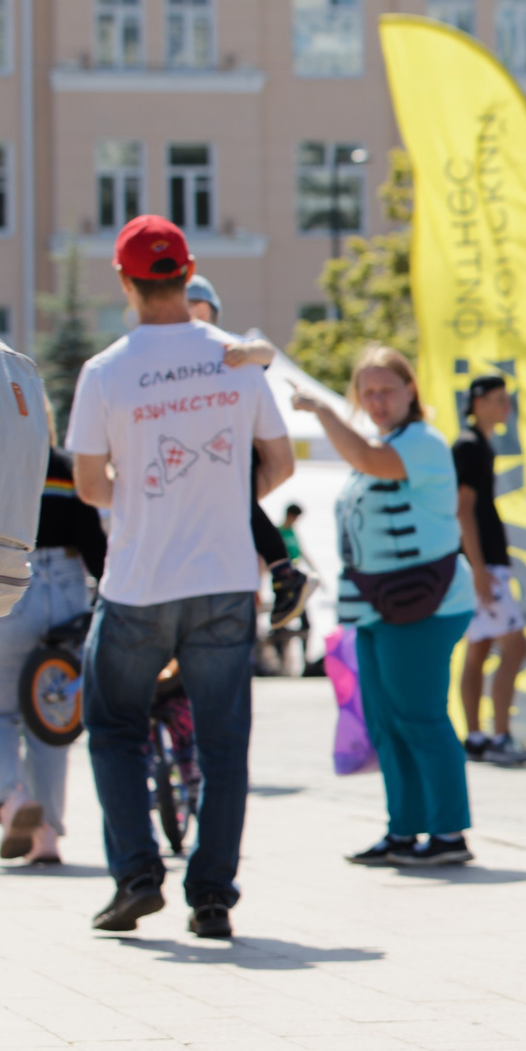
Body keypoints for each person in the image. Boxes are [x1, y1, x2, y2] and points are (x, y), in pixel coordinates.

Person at [68, 215, 292, 939]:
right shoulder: (236, 358)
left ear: (125, 279)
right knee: (224, 744)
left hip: (138, 580)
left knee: (114, 728)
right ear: (186, 271)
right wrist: (220, 491)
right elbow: (281, 464)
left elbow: (91, 486)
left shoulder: (105, 370)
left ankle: (136, 875)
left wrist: (141, 489)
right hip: (225, 576)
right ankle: (213, 896)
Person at [299, 347, 480, 867]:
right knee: (385, 720)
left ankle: (448, 834)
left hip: (423, 603)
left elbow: (368, 462)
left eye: (386, 390)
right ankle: (403, 829)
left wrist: (325, 411)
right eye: (368, 392)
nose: (376, 402)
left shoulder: (421, 441)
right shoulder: (387, 441)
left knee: (420, 717)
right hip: (378, 607)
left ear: (410, 392)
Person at [0, 432, 106, 866]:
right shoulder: (65, 466)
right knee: (50, 716)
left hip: (8, 583)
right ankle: (45, 835)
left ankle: (12, 801)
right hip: (65, 587)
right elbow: (92, 538)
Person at [183, 273, 312, 630]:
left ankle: (283, 571)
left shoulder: (226, 347)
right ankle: (282, 572)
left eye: (200, 308)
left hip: (239, 445)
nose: (193, 315)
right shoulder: (177, 356)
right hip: (209, 456)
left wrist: (249, 352)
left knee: (238, 502)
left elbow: (266, 351)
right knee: (237, 506)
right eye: (186, 309)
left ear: (214, 313)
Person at [453, 373, 526, 767]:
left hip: (482, 563)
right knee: (516, 646)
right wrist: (479, 568)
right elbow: (463, 508)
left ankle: (477, 737)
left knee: (480, 649)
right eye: (500, 399)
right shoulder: (469, 446)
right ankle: (498, 736)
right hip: (483, 564)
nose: (506, 407)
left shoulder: (478, 444)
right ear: (479, 401)